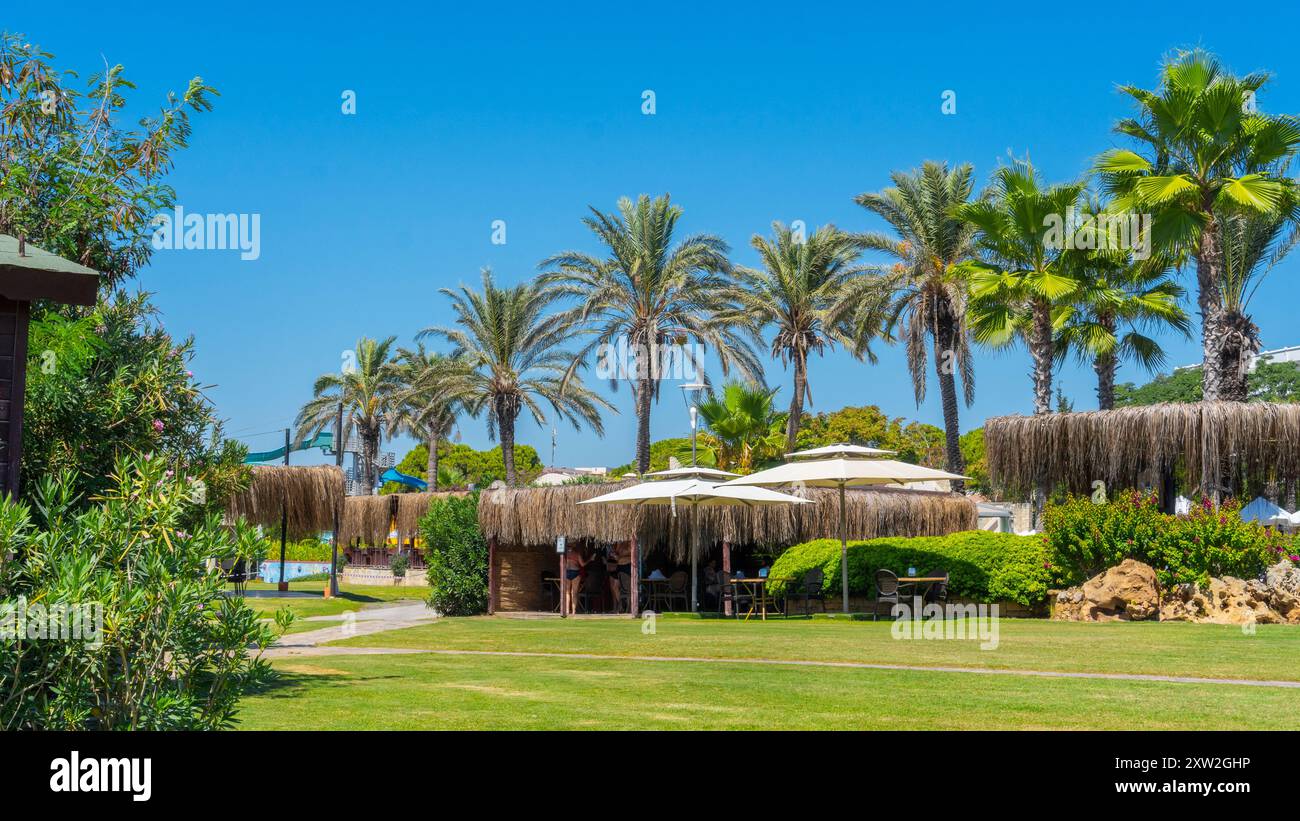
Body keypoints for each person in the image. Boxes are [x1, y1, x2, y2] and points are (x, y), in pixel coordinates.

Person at [608, 541, 633, 612]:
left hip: (627, 565)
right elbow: (617, 552)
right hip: (619, 565)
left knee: (628, 588)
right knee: (615, 587)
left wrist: (620, 556)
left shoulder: (630, 542)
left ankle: (629, 607)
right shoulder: (619, 543)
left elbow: (632, 553)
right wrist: (614, 554)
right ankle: (621, 604)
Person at [563, 543, 587, 614]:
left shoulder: (565, 554)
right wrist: (589, 560)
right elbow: (582, 564)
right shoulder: (576, 554)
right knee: (573, 592)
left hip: (568, 572)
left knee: (568, 592)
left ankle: (569, 610)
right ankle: (573, 610)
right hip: (574, 572)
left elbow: (563, 564)